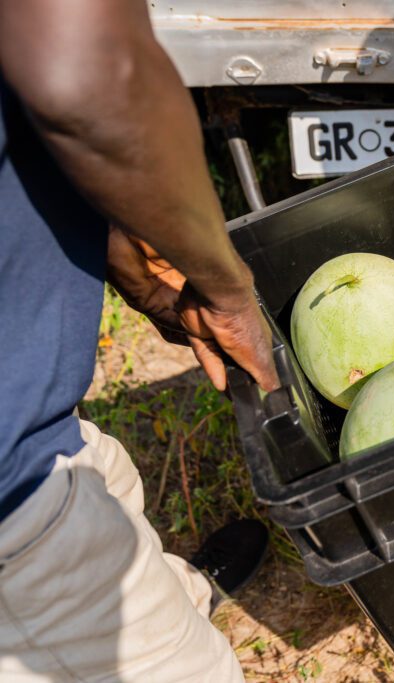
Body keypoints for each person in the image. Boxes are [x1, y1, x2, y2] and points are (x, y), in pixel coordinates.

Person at [0, 0, 281, 680]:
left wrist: (98, 224)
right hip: (15, 494)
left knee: (108, 478)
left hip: (31, 420)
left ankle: (177, 594)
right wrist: (227, 287)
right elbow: (86, 72)